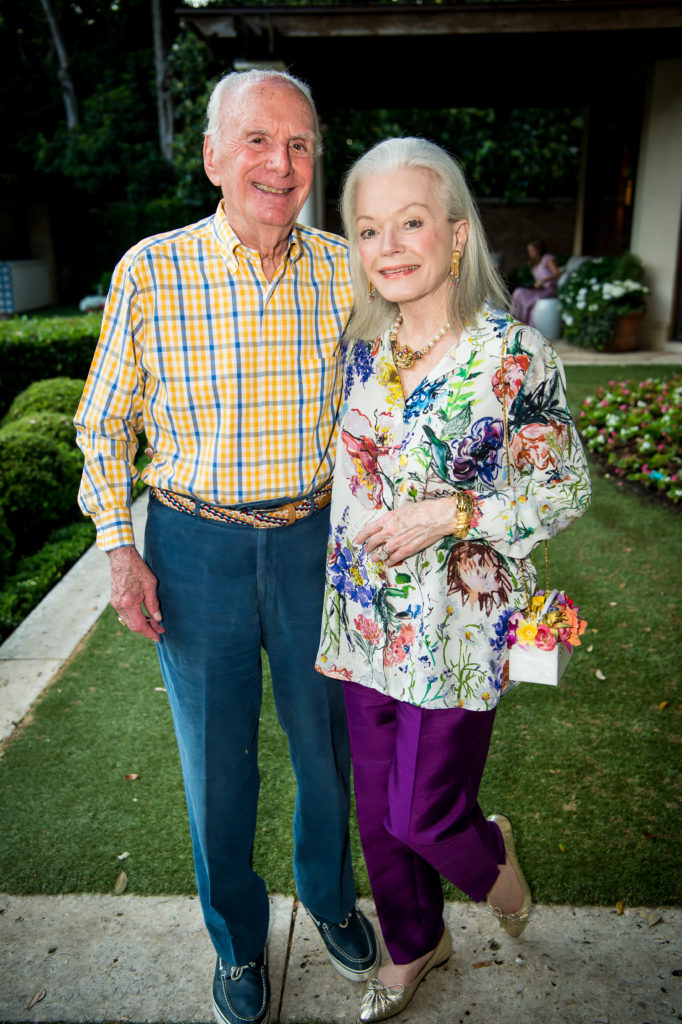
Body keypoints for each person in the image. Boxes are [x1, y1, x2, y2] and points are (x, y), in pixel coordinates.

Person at [75, 69, 378, 1024]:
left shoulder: (345, 268)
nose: (280, 165)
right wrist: (121, 549)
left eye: (297, 145)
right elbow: (102, 426)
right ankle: (238, 944)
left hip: (313, 542)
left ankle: (329, 898)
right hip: (192, 548)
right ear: (213, 156)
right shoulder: (150, 270)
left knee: (324, 749)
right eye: (257, 140)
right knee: (217, 765)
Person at [315, 138, 591, 1022]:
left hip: (460, 631)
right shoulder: (360, 347)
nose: (387, 246)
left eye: (410, 222)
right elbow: (351, 469)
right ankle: (412, 943)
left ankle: (496, 870)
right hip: (364, 617)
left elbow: (566, 485)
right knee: (377, 815)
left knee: (426, 816)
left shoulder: (514, 357)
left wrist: (455, 514)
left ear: (457, 234)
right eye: (367, 230)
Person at [511, 238, 561, 326]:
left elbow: (557, 273)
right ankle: (515, 320)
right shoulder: (534, 264)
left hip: (549, 289)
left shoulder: (547, 259)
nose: (530, 253)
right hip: (540, 289)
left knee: (521, 294)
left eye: (532, 250)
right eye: (529, 251)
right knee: (518, 292)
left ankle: (523, 322)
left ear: (538, 250)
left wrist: (543, 280)